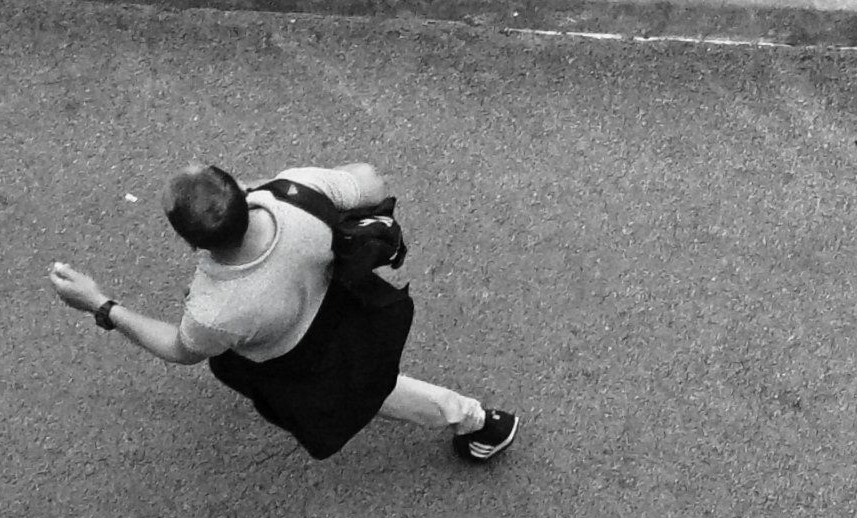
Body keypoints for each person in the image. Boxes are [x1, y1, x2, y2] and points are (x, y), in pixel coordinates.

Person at [47, 160, 516, 465]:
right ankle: (473, 420)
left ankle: (478, 421)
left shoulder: (214, 311)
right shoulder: (295, 193)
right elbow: (371, 181)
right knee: (374, 377)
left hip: (306, 358)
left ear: (191, 242)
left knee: (375, 390)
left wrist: (101, 305)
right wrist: (266, 185)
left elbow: (180, 349)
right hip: (351, 303)